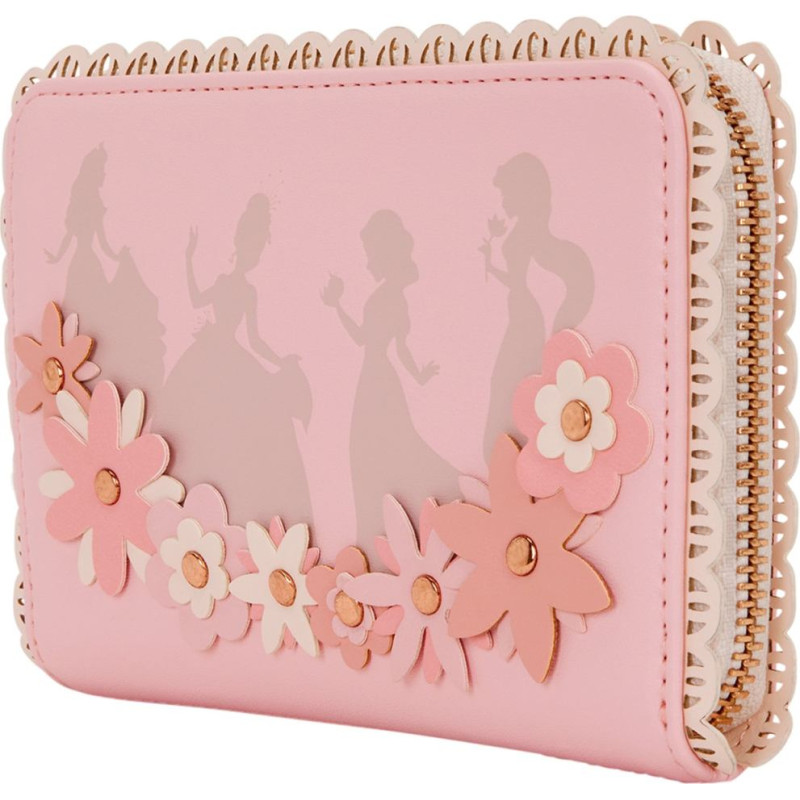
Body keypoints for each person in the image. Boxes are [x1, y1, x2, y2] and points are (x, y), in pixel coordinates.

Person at [157, 194, 312, 525]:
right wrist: (188, 258)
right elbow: (197, 299)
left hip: (226, 355)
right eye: (252, 247)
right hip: (211, 355)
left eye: (258, 251)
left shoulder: (245, 291)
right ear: (240, 244)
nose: (254, 256)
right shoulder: (226, 284)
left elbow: (255, 340)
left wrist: (281, 361)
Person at [322, 210, 457, 555]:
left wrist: (420, 375)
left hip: (378, 382)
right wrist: (337, 307)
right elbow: (370, 341)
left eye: (370, 254)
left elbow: (390, 346)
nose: (368, 262)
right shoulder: (387, 296)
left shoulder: (390, 298)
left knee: (381, 447)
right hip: (375, 379)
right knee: (372, 450)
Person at [480, 153, 594, 462]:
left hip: (524, 320)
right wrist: (491, 264)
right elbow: (517, 280)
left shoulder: (527, 233)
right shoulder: (524, 231)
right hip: (520, 314)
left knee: (509, 381)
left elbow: (524, 279)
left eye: (507, 193)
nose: (503, 200)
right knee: (504, 381)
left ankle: (512, 455)